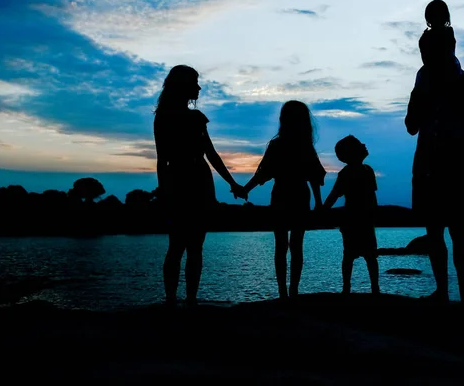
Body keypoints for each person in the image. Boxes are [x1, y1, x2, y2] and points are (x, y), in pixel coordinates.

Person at [405, 2, 464, 304]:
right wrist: (421, 103)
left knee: (458, 233)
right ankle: (444, 292)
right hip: (428, 166)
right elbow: (411, 125)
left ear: (450, 47)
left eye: (434, 51)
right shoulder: (423, 80)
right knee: (435, 233)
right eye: (425, 52)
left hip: (453, 167)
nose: (428, 56)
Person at [153, 64, 247, 307]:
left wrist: (232, 183)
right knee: (180, 245)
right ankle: (174, 300)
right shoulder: (165, 117)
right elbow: (162, 159)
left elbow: (210, 154)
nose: (199, 87)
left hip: (196, 180)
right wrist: (165, 192)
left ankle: (187, 300)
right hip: (183, 180)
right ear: (182, 85)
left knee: (192, 245)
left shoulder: (191, 117)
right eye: (194, 82)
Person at [243, 100, 326, 299]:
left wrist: (246, 189)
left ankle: (283, 292)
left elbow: (263, 173)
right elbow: (314, 177)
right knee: (296, 246)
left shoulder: (277, 145)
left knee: (281, 246)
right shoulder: (304, 146)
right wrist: (319, 202)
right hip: (299, 195)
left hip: (281, 195)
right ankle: (293, 291)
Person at [323, 135, 380, 295]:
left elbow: (372, 196)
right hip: (352, 220)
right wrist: (323, 209)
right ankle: (347, 288)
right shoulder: (347, 173)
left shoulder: (368, 170)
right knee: (351, 255)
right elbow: (334, 194)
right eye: (359, 144)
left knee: (368, 256)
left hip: (365, 219)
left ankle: (373, 288)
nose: (364, 144)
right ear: (353, 152)